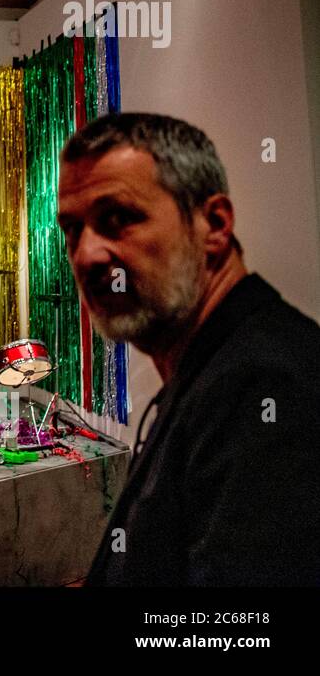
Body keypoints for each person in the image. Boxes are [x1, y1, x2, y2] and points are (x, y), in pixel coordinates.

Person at [55, 112, 319, 585]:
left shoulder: (269, 386)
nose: (86, 255)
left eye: (117, 219)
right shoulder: (209, 368)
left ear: (214, 226)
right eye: (72, 230)